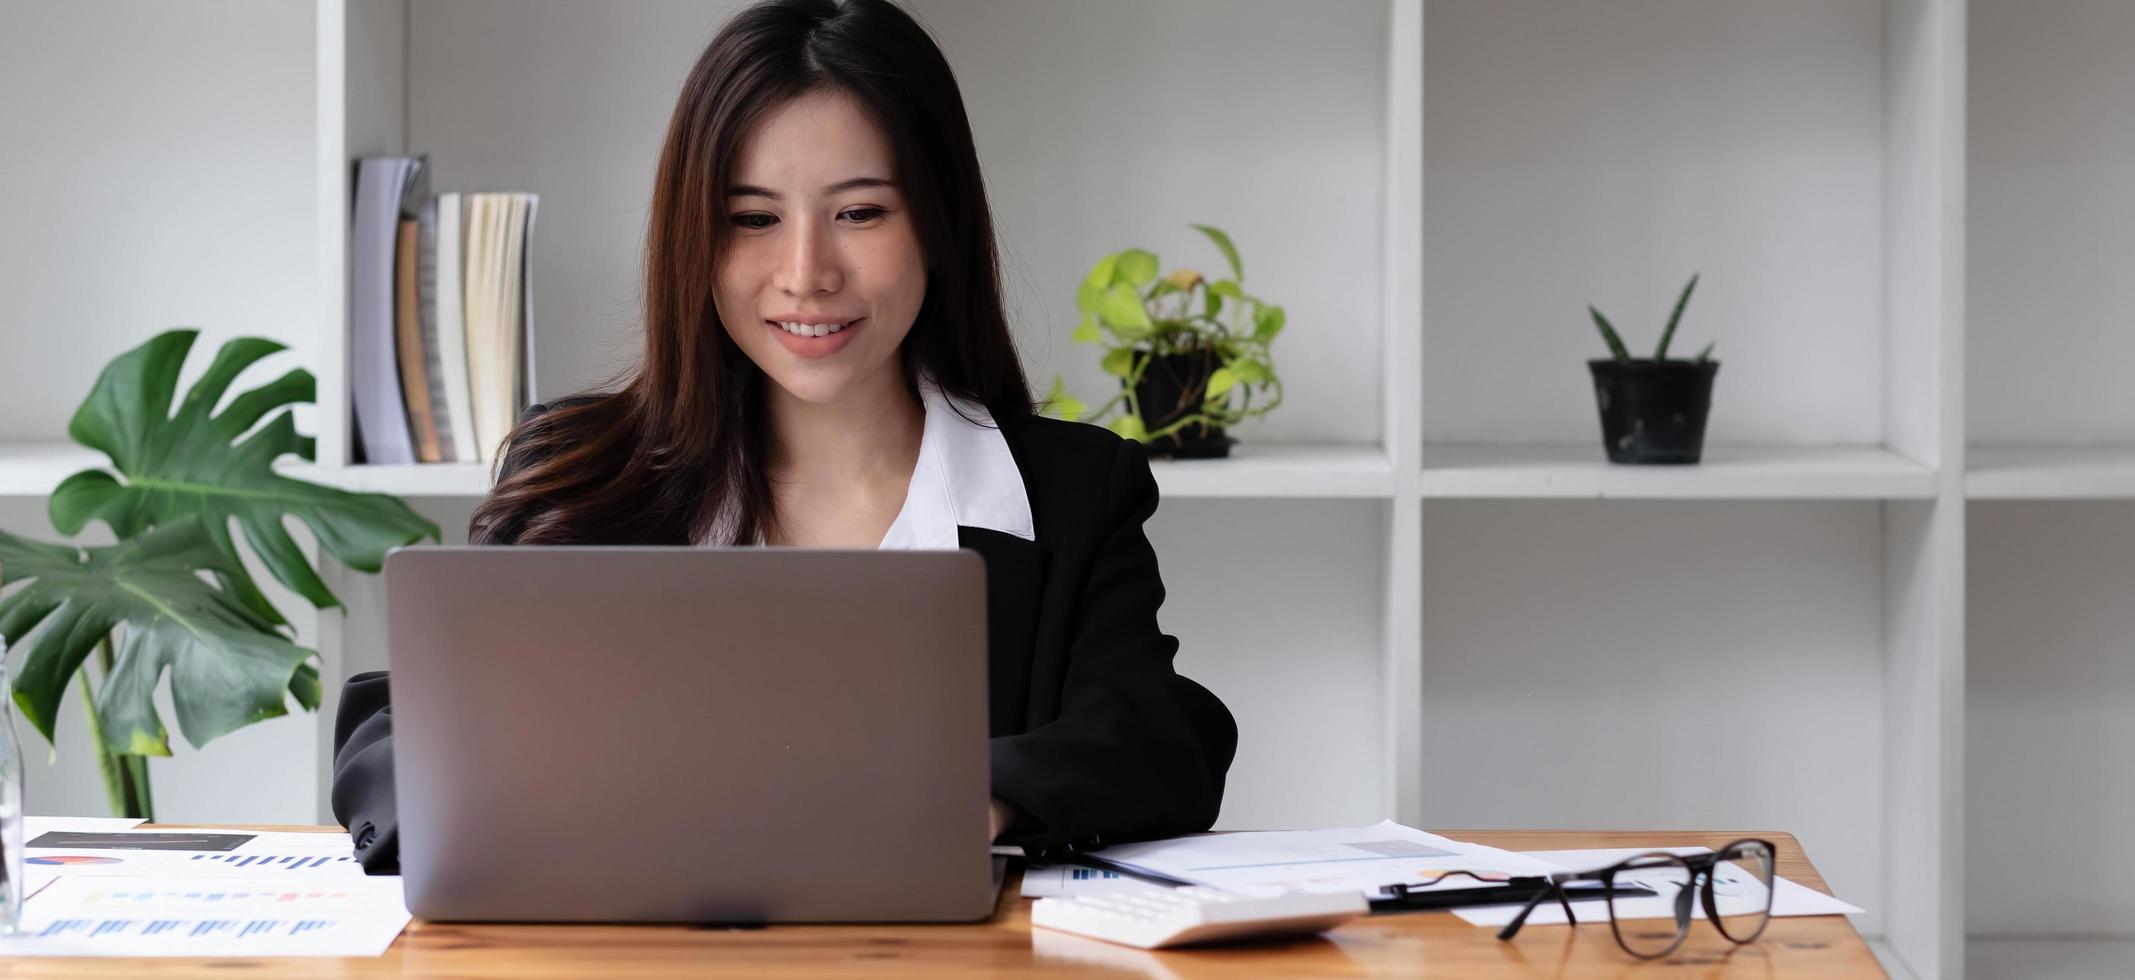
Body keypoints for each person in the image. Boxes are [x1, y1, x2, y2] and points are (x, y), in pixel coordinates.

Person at [330, 0, 1236, 874]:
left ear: (940, 226)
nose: (806, 274)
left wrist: (974, 801)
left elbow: (1157, 737)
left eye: (860, 213)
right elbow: (391, 735)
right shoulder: (576, 473)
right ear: (694, 234)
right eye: (753, 219)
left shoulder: (1071, 492)